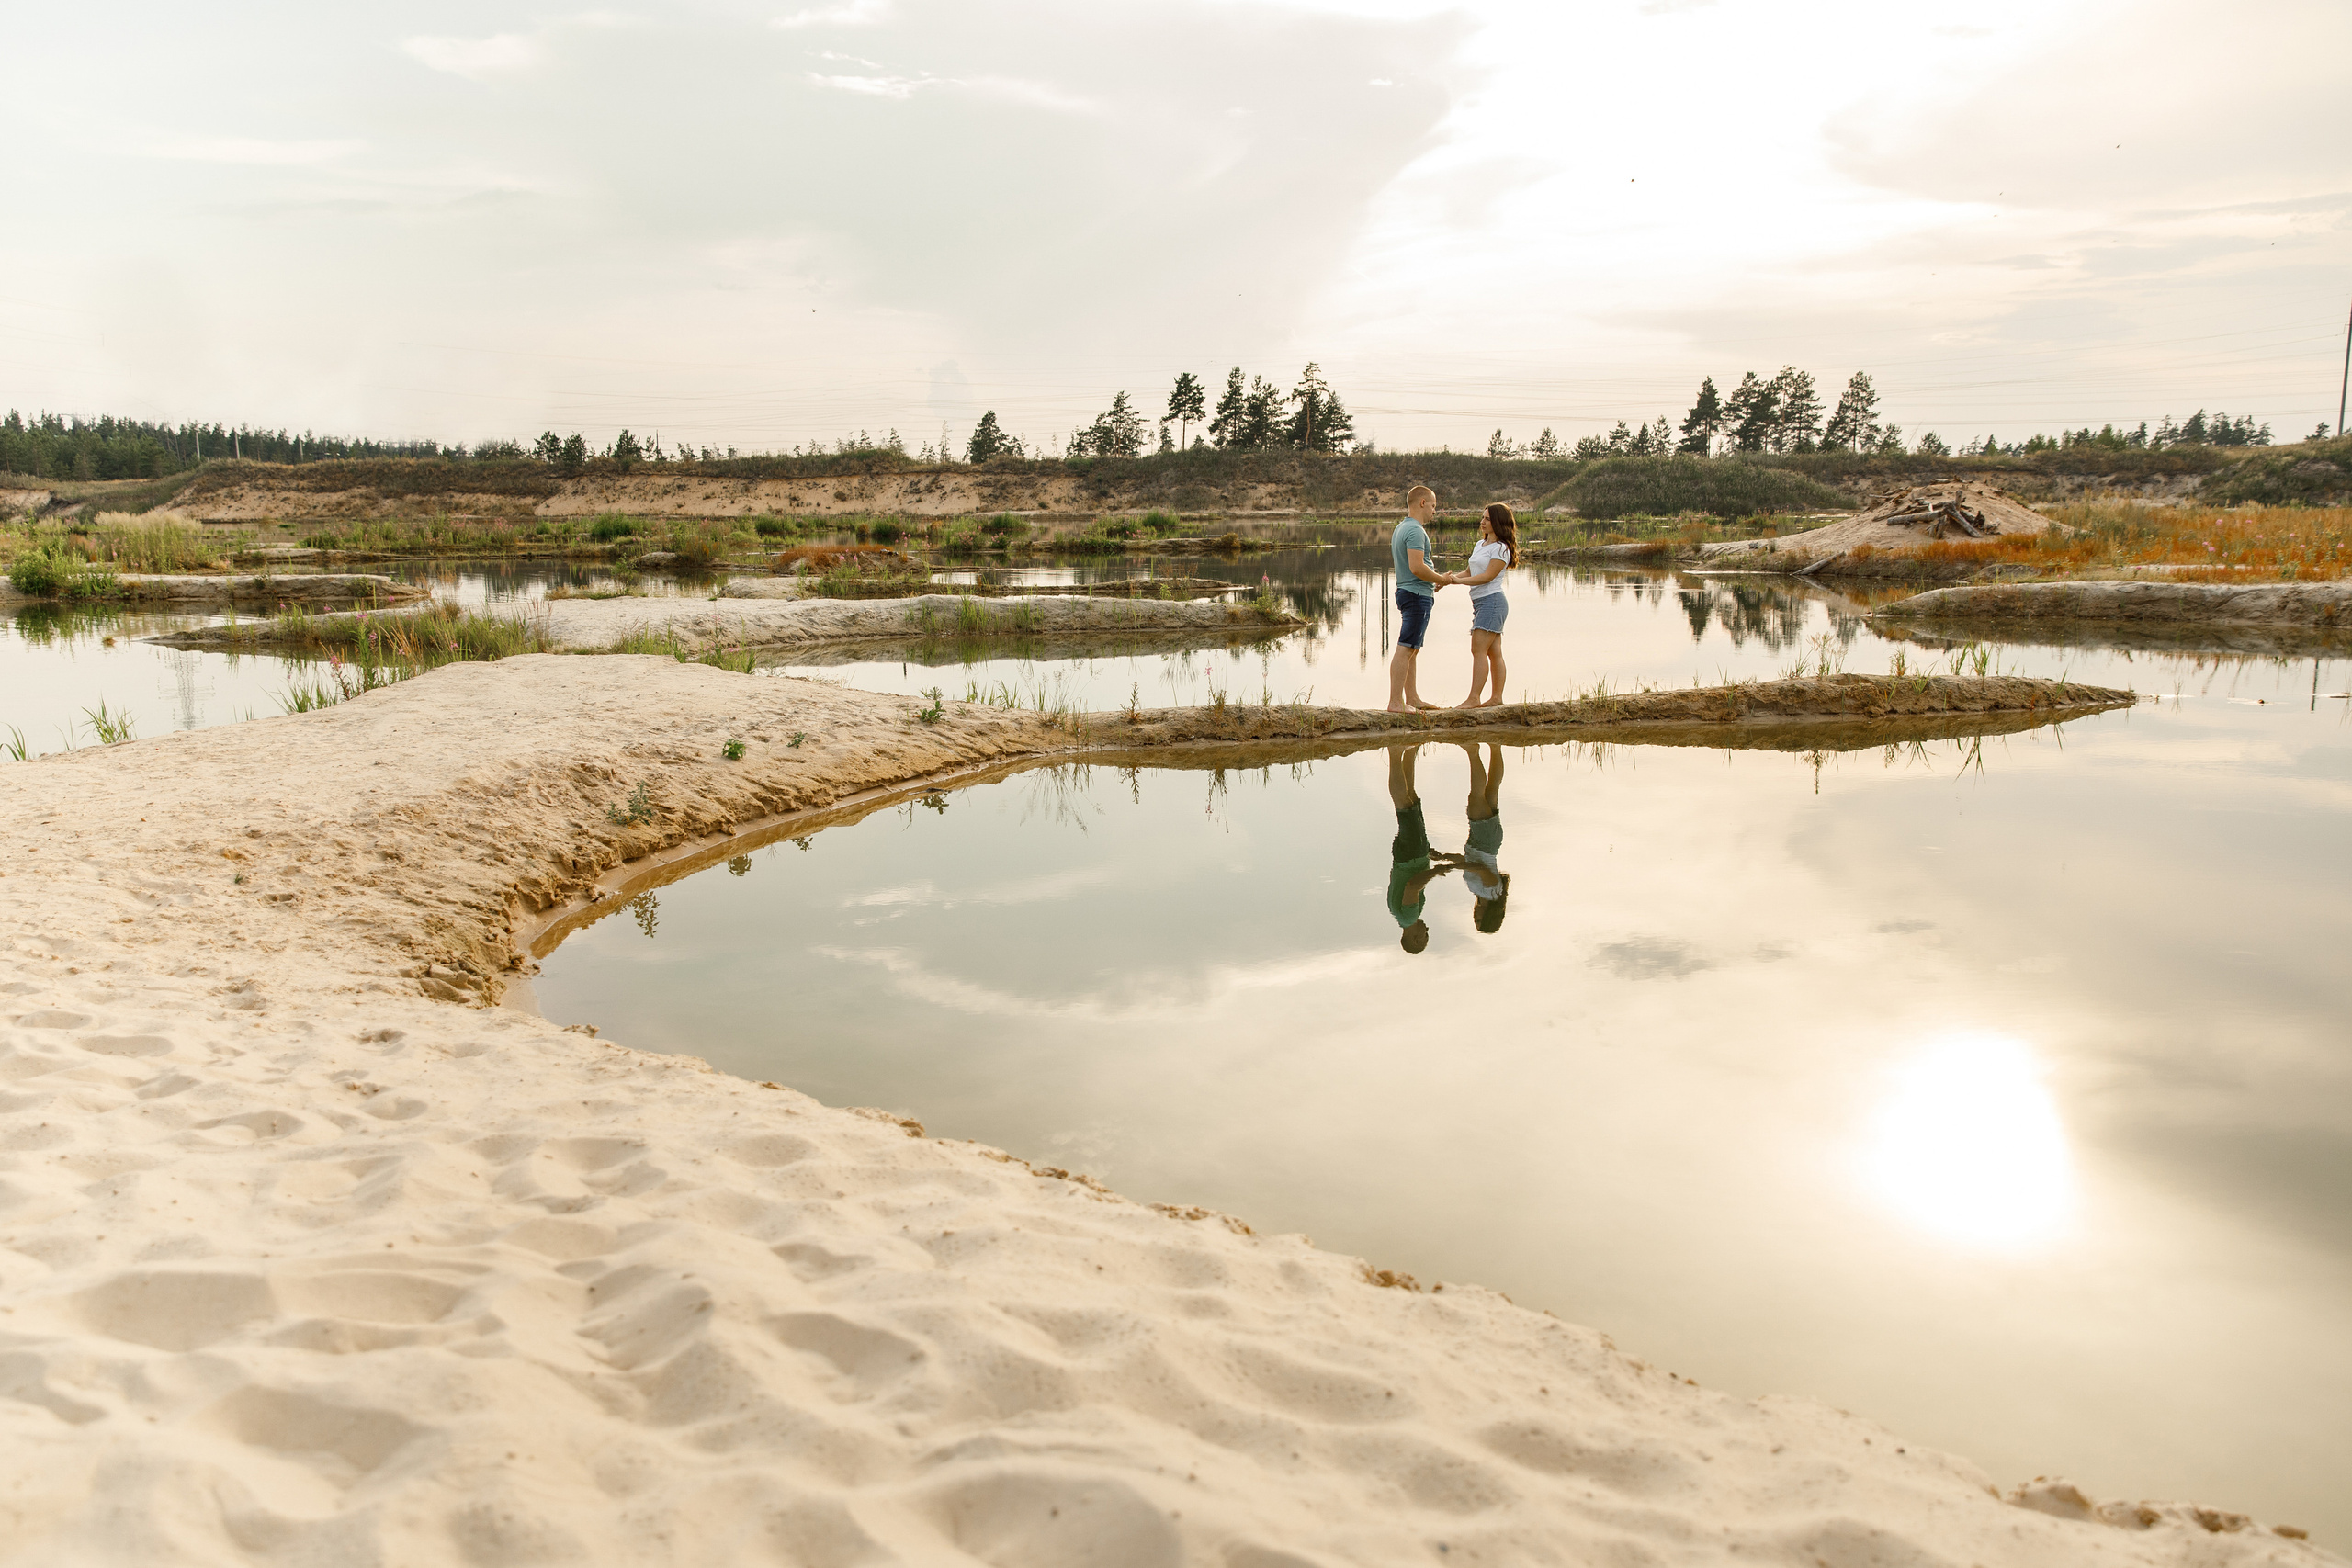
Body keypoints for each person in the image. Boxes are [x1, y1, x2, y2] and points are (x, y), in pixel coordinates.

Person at [1387, 484, 1458, 713]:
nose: (1435, 511)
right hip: (1416, 595)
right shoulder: (1416, 530)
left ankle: (1413, 699)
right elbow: (1417, 567)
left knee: (1412, 648)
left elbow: (1416, 569)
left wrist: (1433, 580)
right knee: (1406, 647)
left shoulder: (1402, 527)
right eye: (1434, 506)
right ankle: (1396, 702)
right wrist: (1441, 578)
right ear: (1422, 503)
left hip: (1414, 591)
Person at [1385, 743, 1457, 953]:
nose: (1427, 930)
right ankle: (1409, 749)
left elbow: (1412, 886)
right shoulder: (1399, 916)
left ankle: (1395, 751)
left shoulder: (1408, 917)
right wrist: (1429, 855)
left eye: (1425, 937)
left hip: (1410, 856)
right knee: (1411, 799)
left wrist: (1436, 871)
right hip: (1412, 855)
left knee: (1404, 806)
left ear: (1415, 940)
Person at [1454, 502, 1518, 707]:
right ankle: (1496, 699)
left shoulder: (1501, 549)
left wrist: (1460, 581)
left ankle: (1474, 698)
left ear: (1498, 522)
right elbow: (1469, 572)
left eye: (1488, 519)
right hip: (1482, 603)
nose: (1482, 522)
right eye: (1482, 518)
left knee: (1478, 649)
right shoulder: (1480, 545)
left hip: (1492, 602)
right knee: (1493, 651)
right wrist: (1447, 580)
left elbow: (1487, 577)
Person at [1457, 740, 1510, 933]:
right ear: (1489, 916)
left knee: (1492, 790)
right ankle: (1473, 752)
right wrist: (1450, 866)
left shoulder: (1484, 893)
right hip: (1484, 842)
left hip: (1486, 842)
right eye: (1479, 918)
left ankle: (1496, 746)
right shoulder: (1492, 891)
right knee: (1476, 796)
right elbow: (1477, 867)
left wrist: (1444, 857)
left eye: (1475, 919)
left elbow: (1469, 862)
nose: (1475, 915)